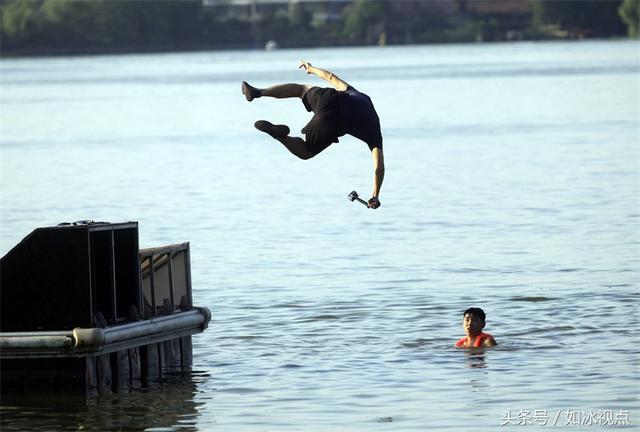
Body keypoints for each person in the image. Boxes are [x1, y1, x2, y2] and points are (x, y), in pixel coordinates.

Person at [241, 61, 384, 209]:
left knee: (301, 89)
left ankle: (257, 92)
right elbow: (378, 167)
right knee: (305, 152)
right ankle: (281, 136)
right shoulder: (374, 131)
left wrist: (311, 69)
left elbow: (330, 77)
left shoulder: (359, 95)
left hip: (328, 99)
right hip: (333, 124)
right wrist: (375, 195)